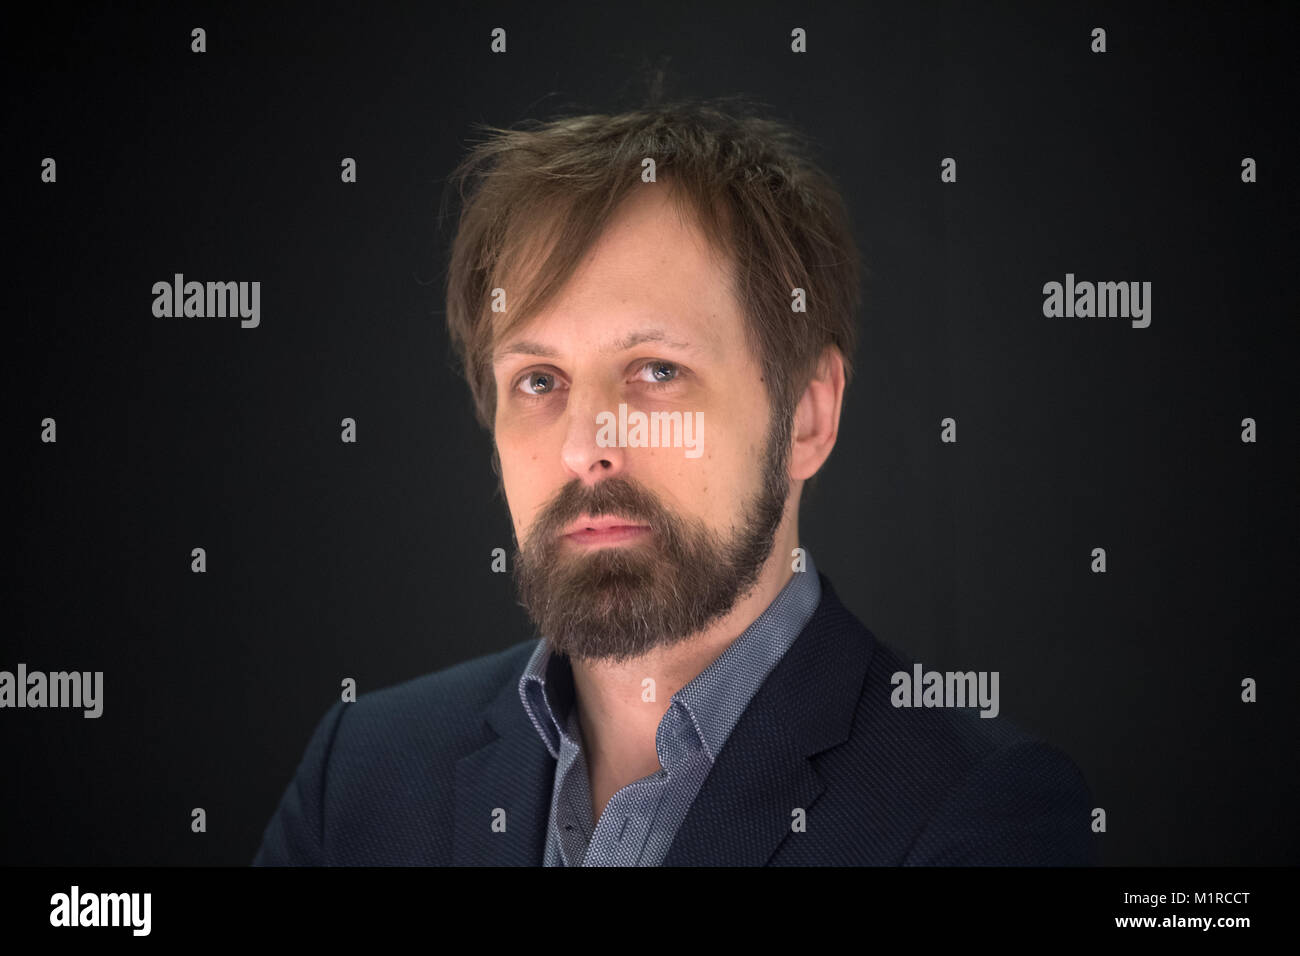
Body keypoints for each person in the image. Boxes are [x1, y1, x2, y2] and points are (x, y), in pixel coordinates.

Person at [253, 98, 1095, 866]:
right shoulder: (362, 777)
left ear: (805, 415)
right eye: (539, 380)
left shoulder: (976, 813)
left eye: (656, 370)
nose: (589, 447)